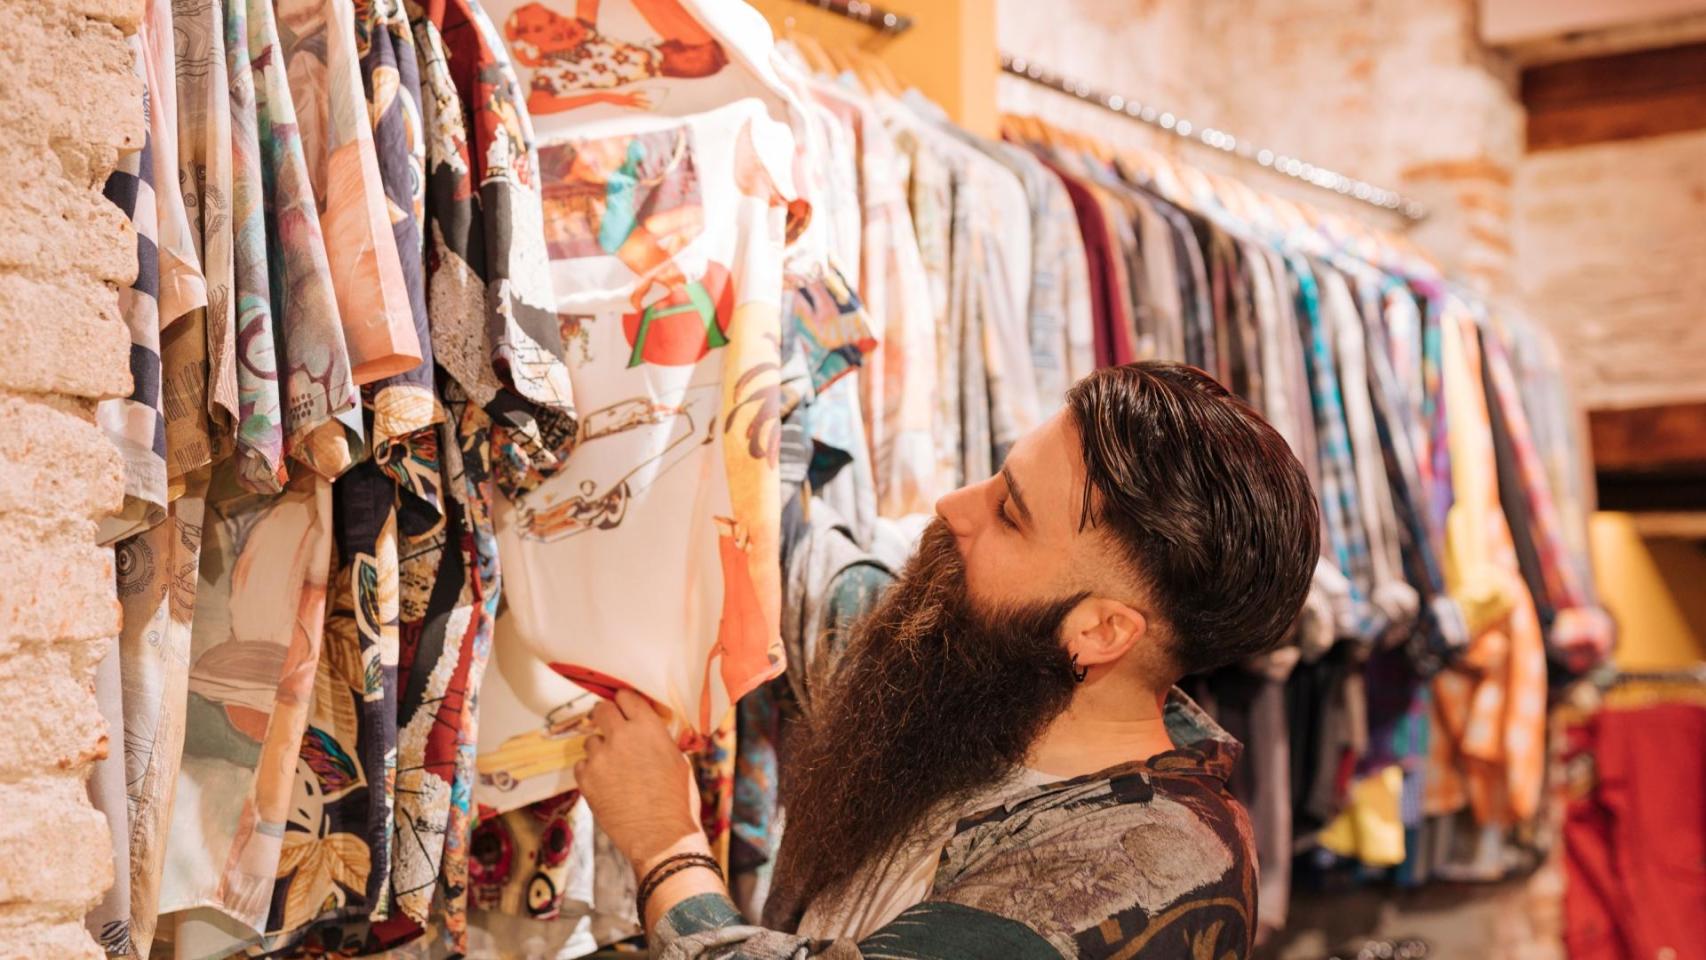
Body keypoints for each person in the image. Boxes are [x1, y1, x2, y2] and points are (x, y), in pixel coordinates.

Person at [575, 361, 1321, 958]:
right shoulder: (989, 683)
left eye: (1009, 513)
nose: (953, 505)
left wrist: (665, 843)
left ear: (1100, 632)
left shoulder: (1144, 871)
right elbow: (823, 583)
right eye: (997, 476)